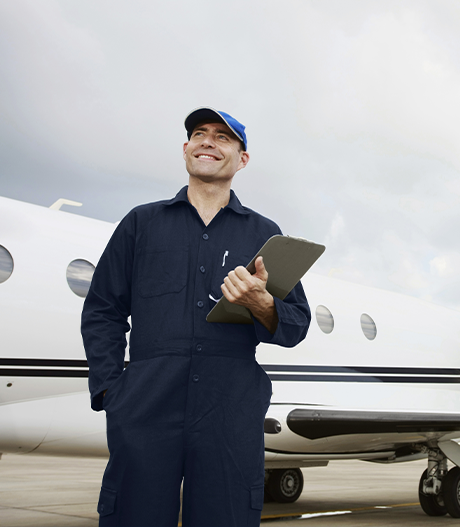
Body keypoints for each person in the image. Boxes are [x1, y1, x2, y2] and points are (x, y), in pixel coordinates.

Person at [81, 107, 311, 527]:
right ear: (186, 149)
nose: (208, 141)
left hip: (230, 408)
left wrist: (261, 302)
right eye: (199, 134)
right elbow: (102, 311)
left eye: (224, 137)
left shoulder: (265, 234)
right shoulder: (141, 224)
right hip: (145, 404)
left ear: (242, 159)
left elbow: (296, 325)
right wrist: (113, 391)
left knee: (226, 517)